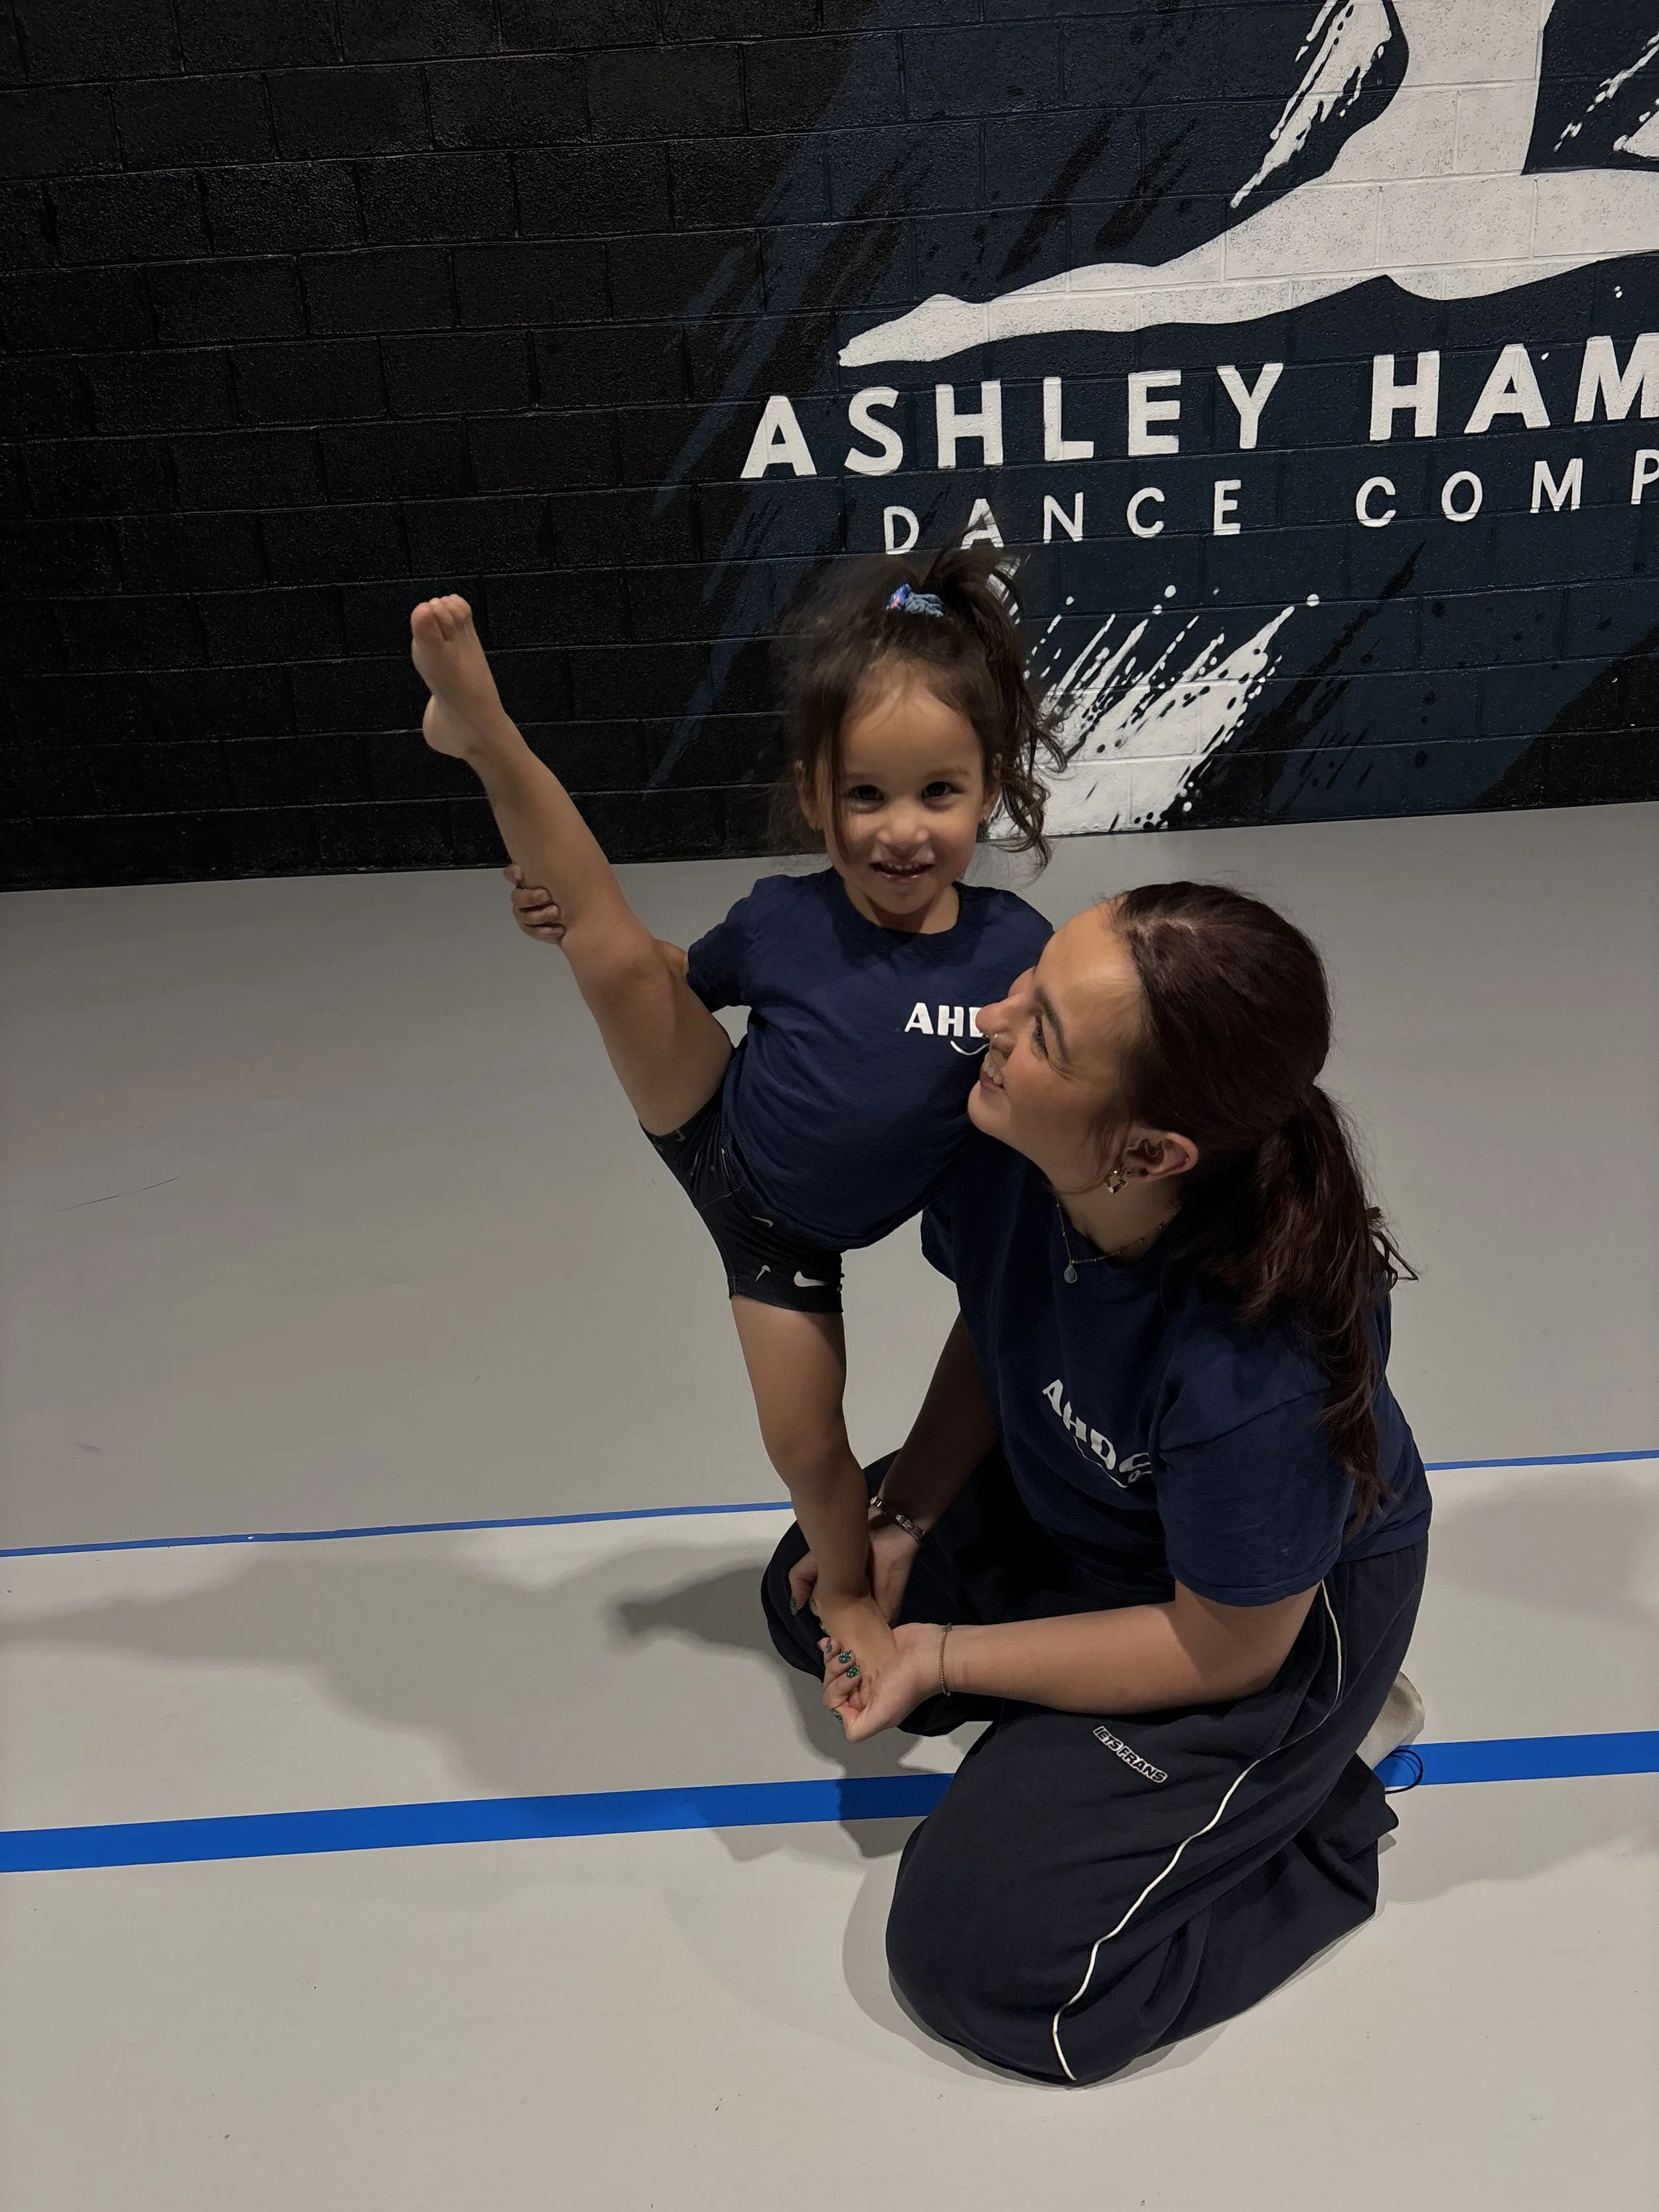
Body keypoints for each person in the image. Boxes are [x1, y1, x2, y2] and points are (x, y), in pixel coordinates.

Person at [762, 881, 1432, 2084]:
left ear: (1151, 1151)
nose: (991, 1021)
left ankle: (1316, 1796)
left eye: (1043, 1031)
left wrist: (946, 1656)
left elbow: (1224, 1647)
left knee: (987, 1960)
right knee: (808, 1588)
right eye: (1028, 983)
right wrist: (906, 1514)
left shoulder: (1259, 1367)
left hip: (1252, 1620)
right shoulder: (1012, 1141)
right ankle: (1083, 1732)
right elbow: (1002, 1324)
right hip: (1088, 1500)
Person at [408, 548, 1056, 1700]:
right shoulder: (782, 921)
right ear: (814, 795)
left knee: (811, 1445)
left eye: (937, 794)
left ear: (989, 788)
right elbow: (672, 977)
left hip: (790, 1247)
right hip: (717, 1129)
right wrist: (571, 920)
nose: (901, 832)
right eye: (865, 796)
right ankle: (487, 736)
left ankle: (848, 1579)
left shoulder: (1013, 948)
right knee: (612, 960)